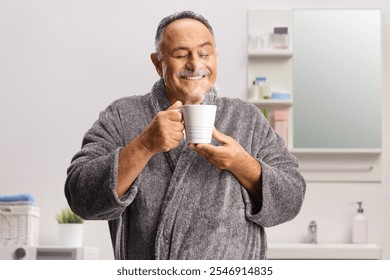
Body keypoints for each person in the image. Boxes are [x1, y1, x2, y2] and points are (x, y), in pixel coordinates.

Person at [65, 11, 306, 260]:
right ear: (158, 63)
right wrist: (144, 145)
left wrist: (243, 165)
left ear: (216, 58)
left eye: (204, 54)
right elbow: (81, 197)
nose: (194, 64)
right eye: (181, 55)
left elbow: (292, 198)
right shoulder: (122, 115)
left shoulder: (247, 119)